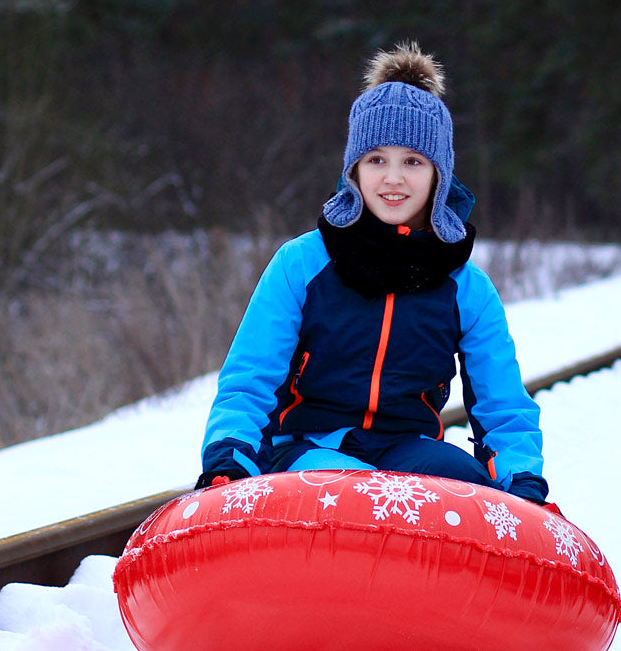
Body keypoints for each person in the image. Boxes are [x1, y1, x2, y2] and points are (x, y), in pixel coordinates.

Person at [196, 42, 548, 506]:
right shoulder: (302, 264)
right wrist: (229, 458)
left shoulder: (467, 288)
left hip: (408, 449)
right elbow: (249, 379)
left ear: (439, 174)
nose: (393, 179)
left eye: (413, 162)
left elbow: (502, 406)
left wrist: (521, 484)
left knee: (464, 485)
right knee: (351, 490)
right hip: (305, 451)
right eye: (377, 159)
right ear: (354, 170)